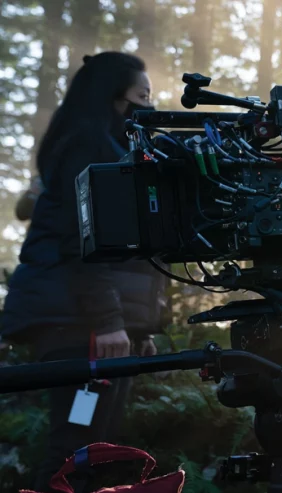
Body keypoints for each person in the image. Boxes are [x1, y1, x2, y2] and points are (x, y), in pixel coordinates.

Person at [1, 52, 170, 492]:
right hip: (80, 326)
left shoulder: (110, 148)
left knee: (98, 452)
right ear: (114, 96)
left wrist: (139, 326)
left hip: (99, 325)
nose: (149, 106)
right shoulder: (88, 146)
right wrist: (110, 321)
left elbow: (128, 249)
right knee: (75, 453)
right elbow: (82, 242)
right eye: (142, 95)